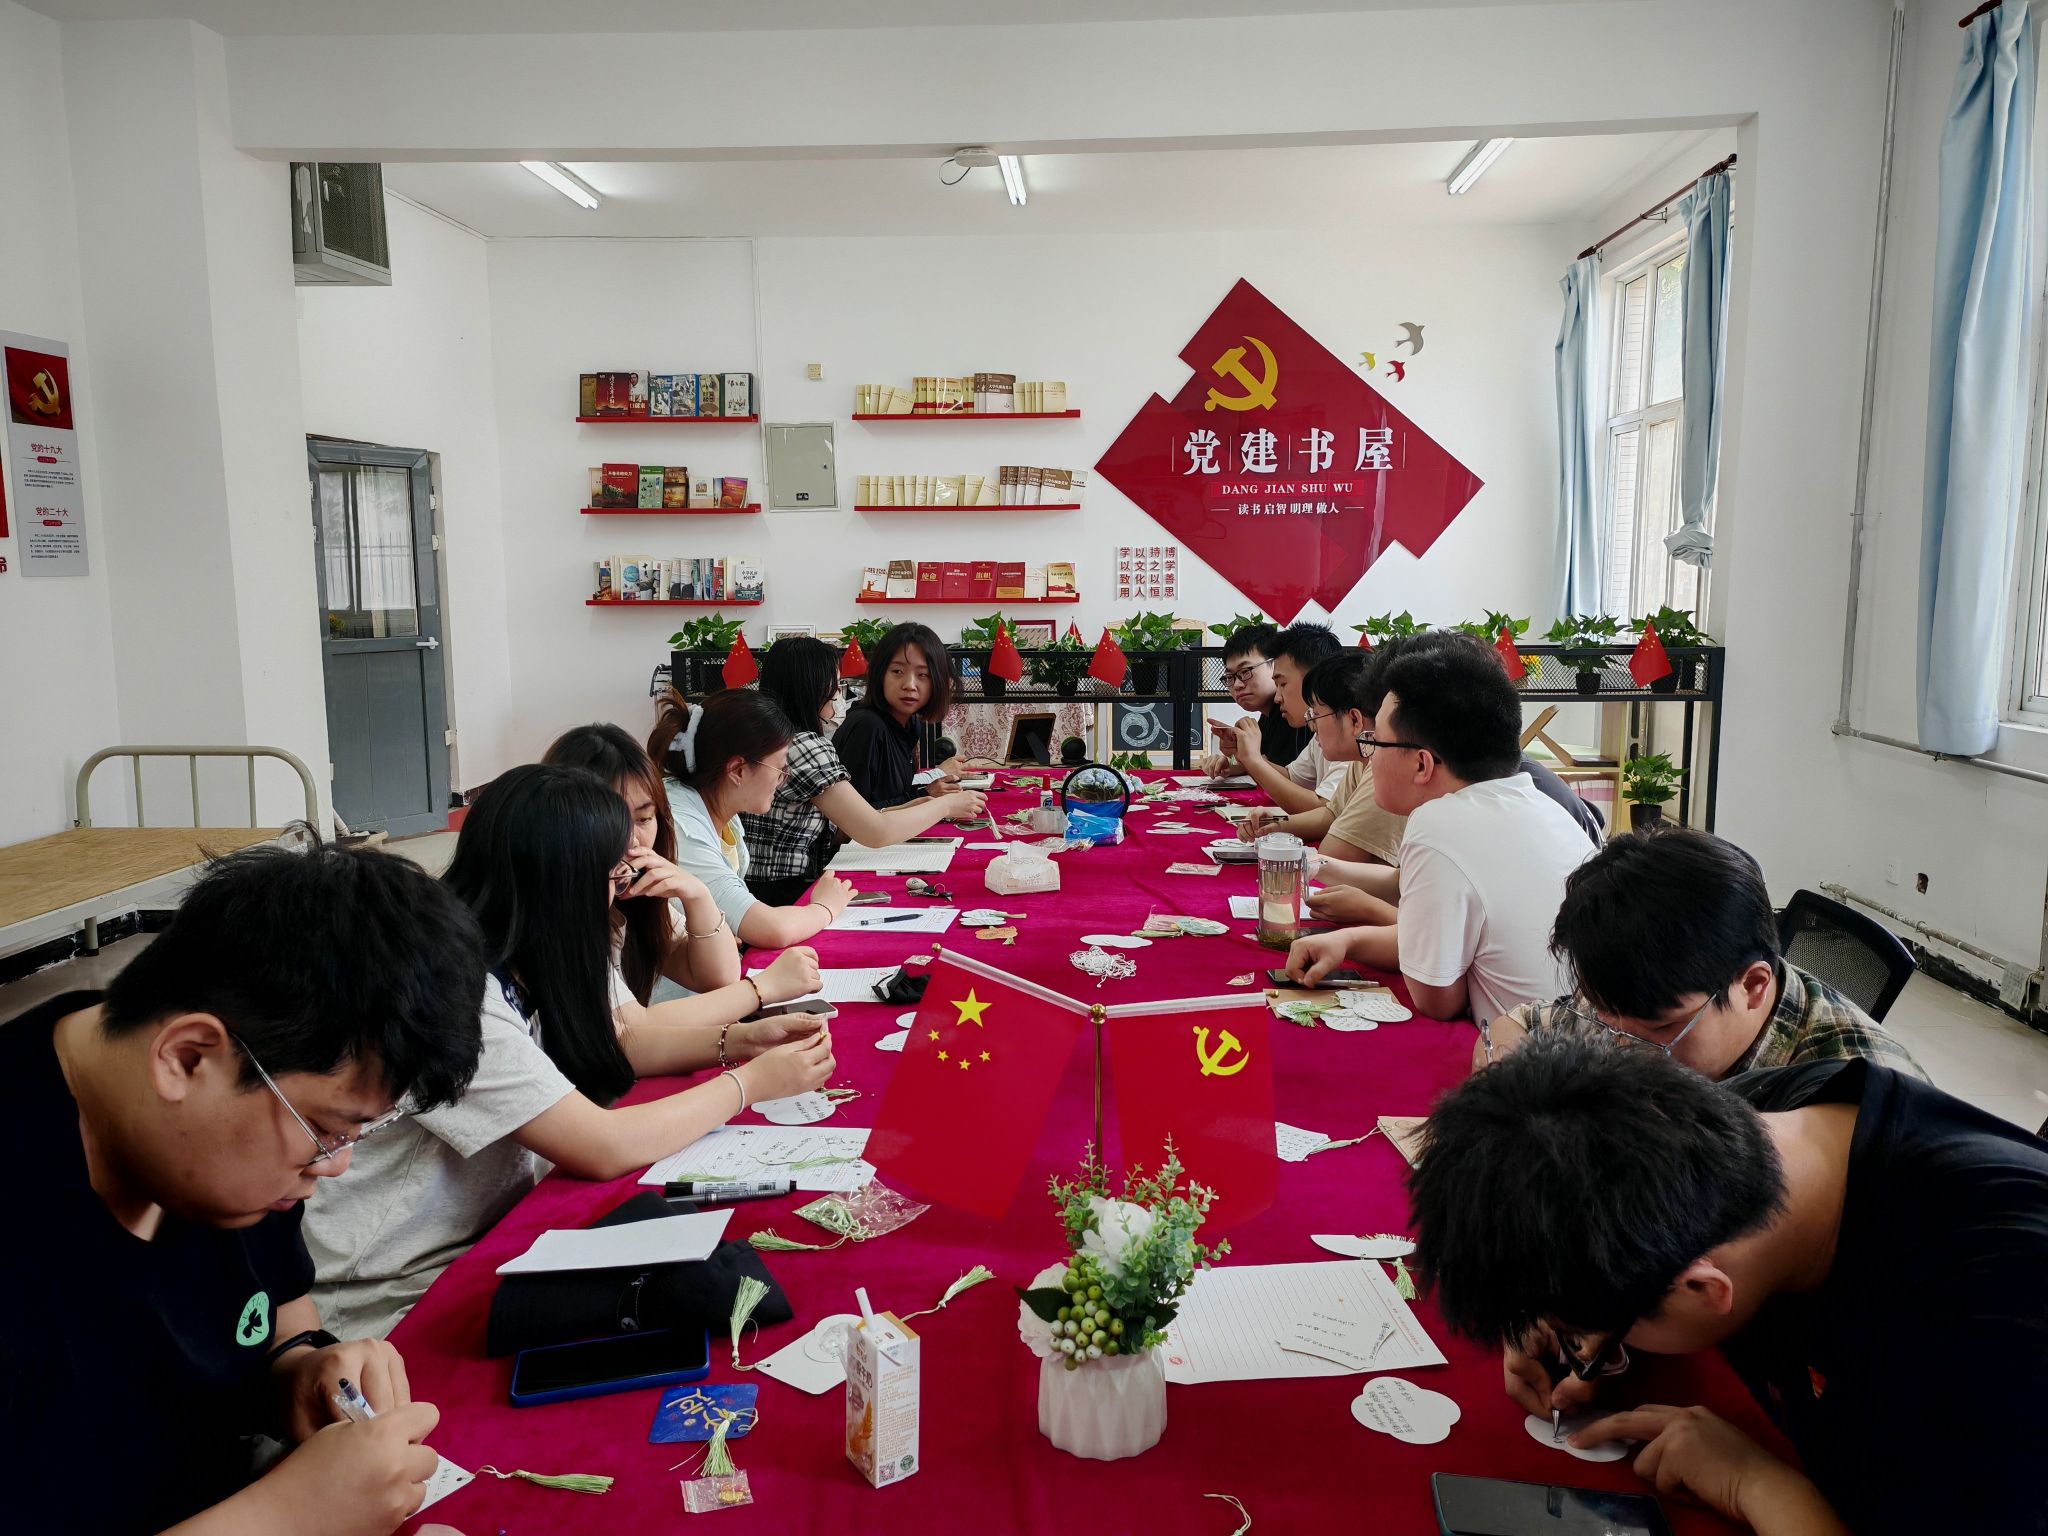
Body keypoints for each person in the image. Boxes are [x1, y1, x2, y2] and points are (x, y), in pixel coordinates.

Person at [1, 840, 487, 1535]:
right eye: (326, 1130)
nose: (333, 1166)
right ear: (187, 1057)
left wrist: (305, 1369)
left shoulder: (223, 1147)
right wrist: (287, 1517)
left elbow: (277, 1313)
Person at [1407, 1033, 2048, 1536]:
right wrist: (1573, 1313)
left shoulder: (1996, 1319)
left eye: (1582, 1341)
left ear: (1703, 1289)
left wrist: (1760, 1488)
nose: (1578, 1352)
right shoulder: (1747, 1120)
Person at [306, 765, 833, 1338]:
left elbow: (625, 1041)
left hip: (483, 1236)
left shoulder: (537, 946)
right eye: (611, 874)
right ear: (562, 883)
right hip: (390, 1292)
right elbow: (603, 1145)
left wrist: (741, 1040)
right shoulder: (455, 993)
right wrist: (749, 1084)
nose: (620, 889)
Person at [1284, 633, 1595, 1022]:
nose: (1369, 756)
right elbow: (1439, 945)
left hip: (1536, 1051)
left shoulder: (1437, 826)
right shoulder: (1538, 803)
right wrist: (1350, 940)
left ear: (1422, 764)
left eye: (1376, 742)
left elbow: (1437, 999)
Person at [1478, 825, 1925, 1080]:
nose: (1621, 1049)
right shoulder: (1637, 1001)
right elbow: (1520, 1022)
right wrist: (1504, 1065)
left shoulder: (1859, 1098)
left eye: (1660, 1029)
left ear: (1753, 986)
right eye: (1607, 1020)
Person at [742, 635, 987, 902]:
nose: (838, 695)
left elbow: (847, 822)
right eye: (836, 686)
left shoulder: (760, 737)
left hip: (755, 887)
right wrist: (946, 806)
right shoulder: (806, 746)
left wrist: (914, 804)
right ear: (814, 688)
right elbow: (875, 831)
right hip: (789, 893)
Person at [543, 721, 746, 1001]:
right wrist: (758, 992)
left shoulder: (637, 895)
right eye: (612, 822)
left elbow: (718, 977)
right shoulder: (556, 916)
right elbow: (631, 1024)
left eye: (643, 819)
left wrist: (697, 895)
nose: (631, 841)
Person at [652, 690, 857, 947]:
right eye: (779, 768)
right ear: (737, 770)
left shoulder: (721, 811)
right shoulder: (683, 828)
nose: (783, 779)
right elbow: (771, 929)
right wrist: (825, 907)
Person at [1219, 622, 1348, 819]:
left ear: (1314, 679)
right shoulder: (1319, 732)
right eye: (1230, 677)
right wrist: (1245, 755)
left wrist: (1253, 760)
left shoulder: (1348, 733)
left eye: (1283, 684)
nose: (1278, 697)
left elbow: (1324, 811)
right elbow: (1291, 778)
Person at [832, 622, 960, 808]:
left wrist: (928, 791)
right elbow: (851, 815)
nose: (909, 685)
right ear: (880, 674)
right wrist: (925, 795)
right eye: (897, 671)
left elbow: (892, 794)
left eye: (923, 675)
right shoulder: (867, 726)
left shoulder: (909, 724)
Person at [1198, 622, 1311, 777]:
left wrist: (1246, 757)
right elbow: (1270, 766)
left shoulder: (1292, 714)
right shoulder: (1268, 716)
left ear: (1275, 665)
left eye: (1245, 671)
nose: (1237, 685)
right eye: (1230, 677)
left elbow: (1287, 780)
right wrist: (1237, 762)